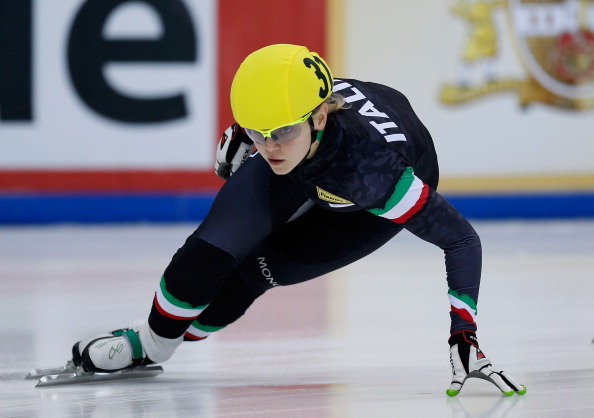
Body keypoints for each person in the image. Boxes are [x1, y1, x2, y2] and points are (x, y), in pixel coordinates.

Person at [72, 44, 526, 397]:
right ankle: (151, 345)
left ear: (321, 115)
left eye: (281, 131)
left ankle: (162, 342)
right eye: (257, 131)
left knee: (254, 271)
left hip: (359, 199)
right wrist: (246, 133)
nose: (269, 146)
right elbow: (268, 125)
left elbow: (462, 240)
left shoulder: (375, 176)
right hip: (311, 157)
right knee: (206, 253)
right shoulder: (279, 130)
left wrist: (463, 333)